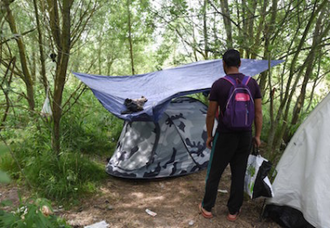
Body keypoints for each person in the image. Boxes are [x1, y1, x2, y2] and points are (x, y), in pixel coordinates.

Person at [199, 49, 263, 221]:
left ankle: (207, 207)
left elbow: (211, 113)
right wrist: (257, 135)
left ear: (223, 64)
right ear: (240, 63)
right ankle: (233, 212)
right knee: (239, 172)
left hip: (225, 134)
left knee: (215, 171)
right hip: (245, 135)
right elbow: (258, 113)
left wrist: (210, 136)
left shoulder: (219, 84)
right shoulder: (252, 83)